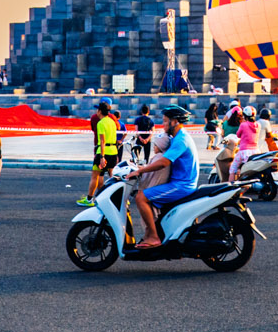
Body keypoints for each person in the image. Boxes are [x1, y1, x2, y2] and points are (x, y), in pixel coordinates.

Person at [130, 107, 200, 249]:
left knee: (141, 198)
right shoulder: (179, 137)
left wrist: (141, 171)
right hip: (180, 183)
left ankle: (153, 237)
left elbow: (163, 163)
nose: (163, 125)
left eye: (165, 121)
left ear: (174, 122)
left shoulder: (181, 140)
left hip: (181, 186)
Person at [84, 100, 119, 207]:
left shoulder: (101, 123)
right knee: (113, 176)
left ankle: (89, 199)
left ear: (99, 111)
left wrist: (102, 156)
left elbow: (102, 141)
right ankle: (117, 197)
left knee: (95, 175)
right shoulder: (112, 122)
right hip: (114, 151)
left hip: (104, 151)